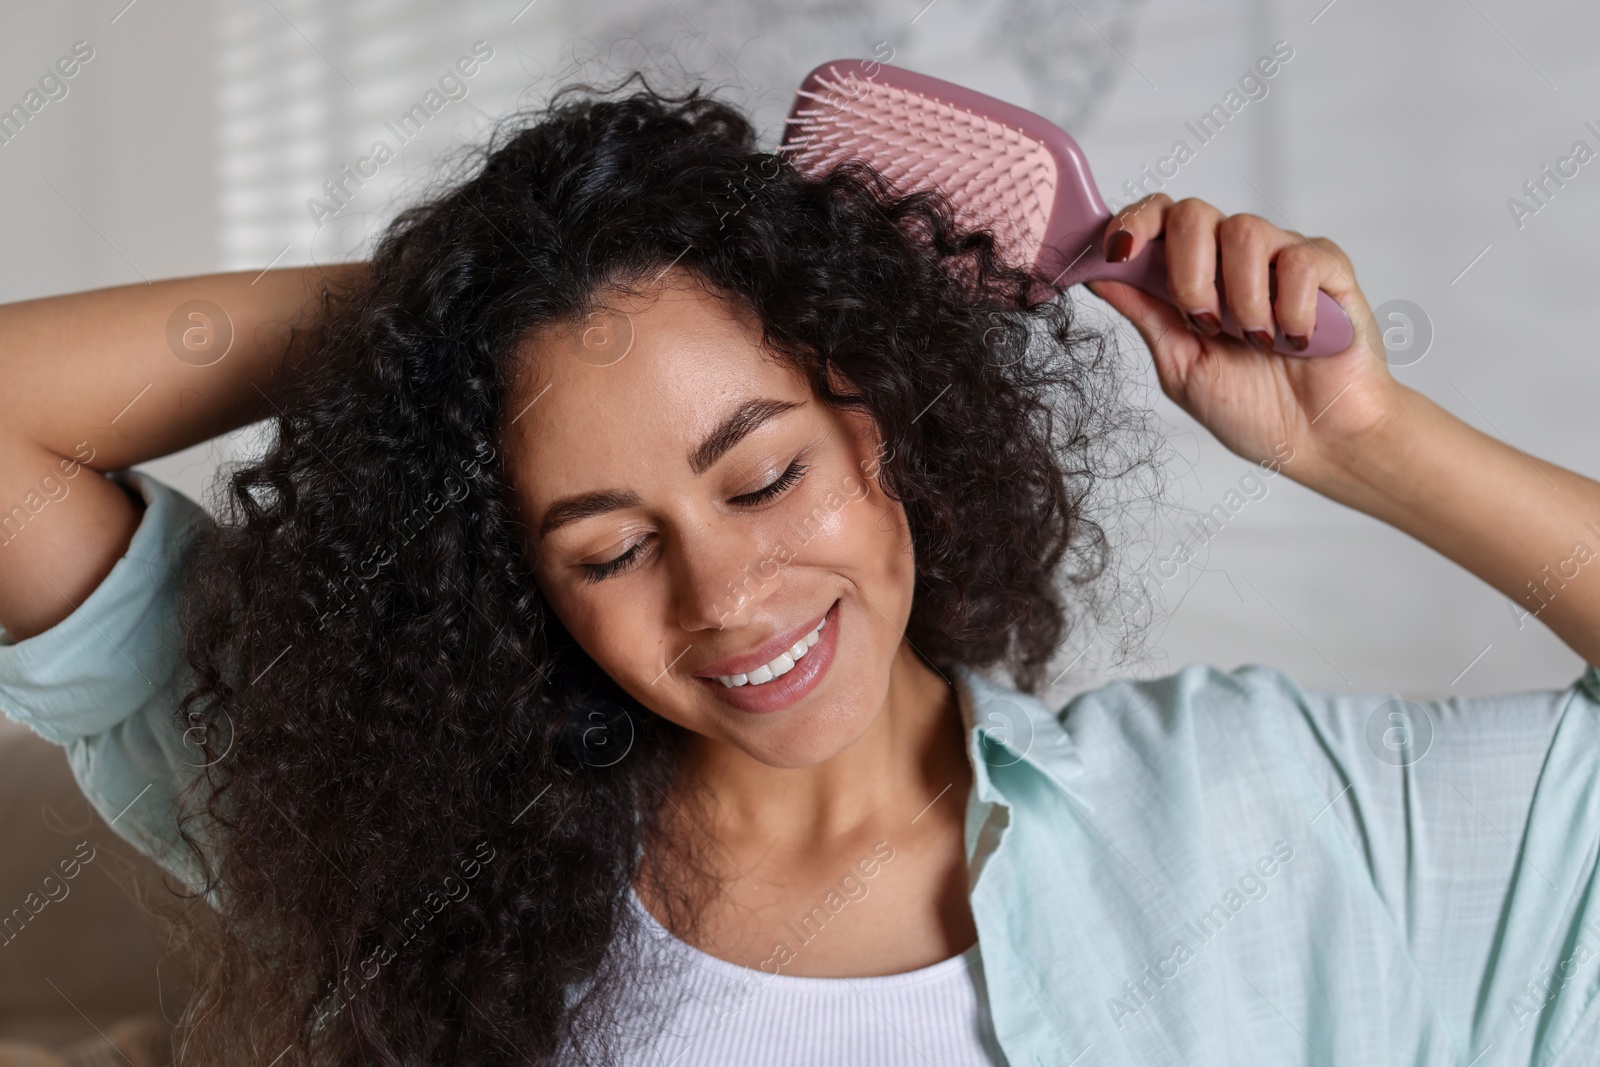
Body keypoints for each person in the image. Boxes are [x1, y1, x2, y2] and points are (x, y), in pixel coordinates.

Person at [1, 79, 1597, 1067]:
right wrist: (485, 302)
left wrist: (1358, 441)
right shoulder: (410, 850)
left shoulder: (1274, 820)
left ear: (881, 416)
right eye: (611, 548)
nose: (726, 598)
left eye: (763, 474)